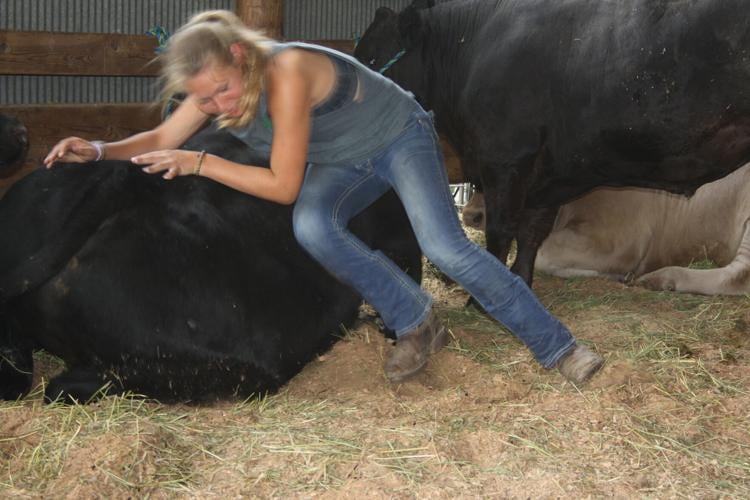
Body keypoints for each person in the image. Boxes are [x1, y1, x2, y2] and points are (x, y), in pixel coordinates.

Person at [43, 10, 604, 384]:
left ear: (242, 55)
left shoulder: (283, 73)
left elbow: (282, 185)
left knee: (446, 247)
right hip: (343, 160)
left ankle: (560, 348)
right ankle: (415, 319)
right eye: (202, 99)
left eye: (222, 90)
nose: (216, 105)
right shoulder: (217, 88)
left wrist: (201, 162)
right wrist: (96, 149)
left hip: (397, 137)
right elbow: (164, 138)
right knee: (313, 227)